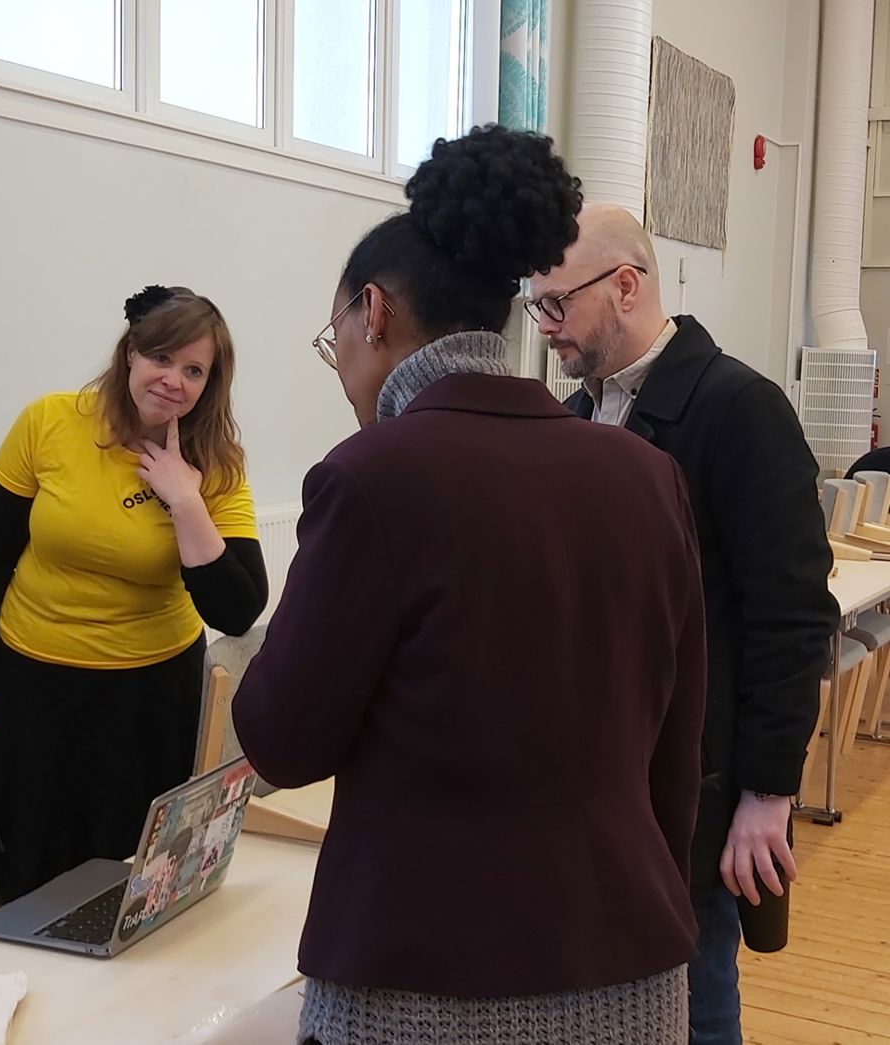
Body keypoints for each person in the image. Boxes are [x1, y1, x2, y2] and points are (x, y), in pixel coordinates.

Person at [231, 126, 707, 1045]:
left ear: (373, 313)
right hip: (634, 962)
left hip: (426, 982)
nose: (342, 368)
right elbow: (676, 745)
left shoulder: (371, 477)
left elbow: (282, 740)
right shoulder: (647, 475)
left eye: (336, 341)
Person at [527, 202, 840, 1044]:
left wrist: (768, 792)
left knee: (695, 1005)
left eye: (556, 303)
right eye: (535, 305)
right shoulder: (572, 416)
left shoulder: (740, 408)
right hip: (595, 790)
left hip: (693, 794)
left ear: (626, 287)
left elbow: (791, 616)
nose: (544, 326)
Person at [0, 285, 268, 903]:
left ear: (210, 384)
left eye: (194, 370)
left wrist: (186, 501)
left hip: (149, 696)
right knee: (26, 861)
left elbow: (237, 610)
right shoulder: (48, 422)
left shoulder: (216, 465)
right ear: (130, 354)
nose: (173, 380)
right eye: (162, 358)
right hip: (33, 680)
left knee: (127, 871)